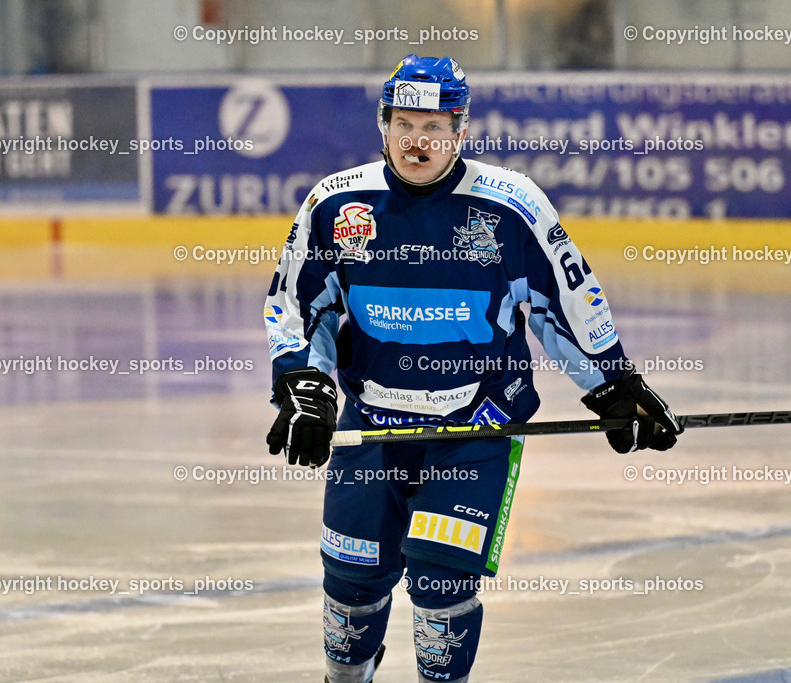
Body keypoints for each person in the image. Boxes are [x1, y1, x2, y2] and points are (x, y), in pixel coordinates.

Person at [264, 54, 682, 683]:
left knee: (439, 584)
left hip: (476, 426)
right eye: (403, 123)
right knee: (351, 583)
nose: (417, 140)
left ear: (461, 129)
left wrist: (613, 384)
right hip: (371, 423)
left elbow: (564, 301)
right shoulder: (336, 204)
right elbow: (300, 305)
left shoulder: (510, 206)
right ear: (382, 126)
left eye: (433, 126)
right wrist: (305, 386)